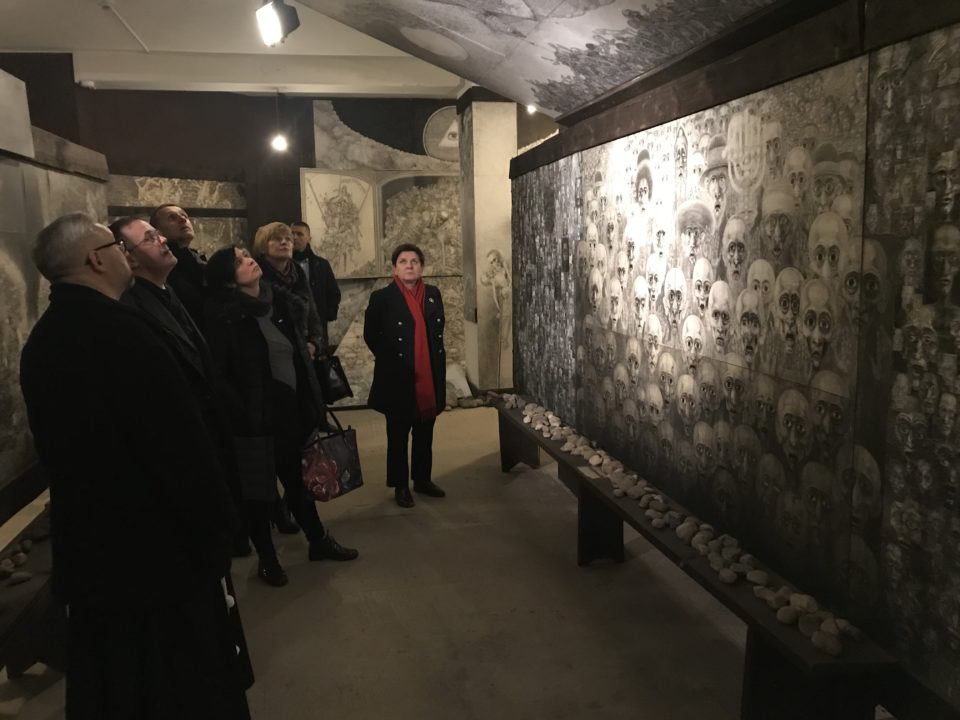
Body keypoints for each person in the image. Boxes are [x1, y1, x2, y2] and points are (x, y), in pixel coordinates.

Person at [19, 212, 250, 719]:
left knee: (122, 687)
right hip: (158, 555)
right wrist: (218, 527)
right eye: (117, 247)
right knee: (182, 686)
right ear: (95, 259)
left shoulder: (44, 340)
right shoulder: (123, 332)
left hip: (96, 554)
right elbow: (178, 447)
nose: (126, 255)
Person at [204, 245, 358, 587]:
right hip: (255, 421)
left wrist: (311, 403)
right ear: (228, 280)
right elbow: (218, 374)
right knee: (259, 493)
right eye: (239, 261)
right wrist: (244, 413)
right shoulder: (225, 316)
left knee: (299, 484)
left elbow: (299, 359)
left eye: (247, 255)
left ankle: (318, 540)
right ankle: (268, 559)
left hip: (291, 412)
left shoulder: (282, 304)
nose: (249, 261)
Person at [363, 243, 447, 508]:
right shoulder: (382, 297)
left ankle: (422, 479)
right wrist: (391, 360)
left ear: (421, 267)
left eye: (414, 261)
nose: (409, 266)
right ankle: (400, 485)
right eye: (403, 261)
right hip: (397, 376)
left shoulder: (432, 294)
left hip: (429, 375)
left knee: (425, 431)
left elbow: (437, 332)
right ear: (394, 269)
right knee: (398, 435)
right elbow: (371, 335)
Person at [150, 203, 207, 325]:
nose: (182, 219)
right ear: (158, 232)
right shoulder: (163, 268)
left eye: (185, 216)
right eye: (172, 217)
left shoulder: (195, 258)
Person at [291, 220, 341, 350]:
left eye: (299, 234)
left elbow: (333, 292)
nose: (294, 237)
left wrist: (326, 314)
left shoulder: (321, 265)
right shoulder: (284, 265)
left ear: (309, 238)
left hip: (316, 324)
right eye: (292, 234)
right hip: (292, 324)